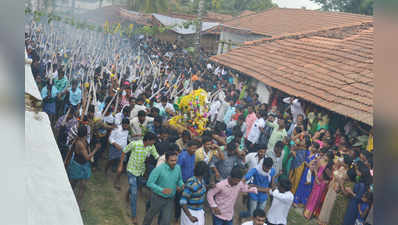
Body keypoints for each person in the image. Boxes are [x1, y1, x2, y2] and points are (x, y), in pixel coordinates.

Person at [117, 132, 159, 225]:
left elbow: (157, 156)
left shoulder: (151, 147)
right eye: (153, 141)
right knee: (135, 193)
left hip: (140, 172)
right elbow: (124, 151)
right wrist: (120, 165)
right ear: (148, 140)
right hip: (131, 171)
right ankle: (134, 216)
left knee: (137, 186)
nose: (153, 143)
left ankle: (129, 193)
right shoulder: (135, 144)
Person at [142, 151, 184, 225]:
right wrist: (162, 190)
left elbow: (179, 180)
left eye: (175, 160)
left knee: (166, 221)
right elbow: (149, 183)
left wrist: (181, 184)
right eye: (172, 160)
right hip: (158, 198)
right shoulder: (159, 169)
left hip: (170, 199)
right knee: (151, 215)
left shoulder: (178, 168)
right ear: (166, 160)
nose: (174, 162)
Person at [65, 125, 100, 210]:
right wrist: (96, 149)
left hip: (83, 165)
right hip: (78, 166)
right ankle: (71, 202)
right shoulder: (79, 143)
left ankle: (77, 204)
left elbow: (71, 151)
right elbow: (87, 157)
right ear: (85, 134)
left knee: (82, 186)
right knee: (74, 184)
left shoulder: (82, 140)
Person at [105, 118, 130, 188]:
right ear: (122, 124)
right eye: (124, 125)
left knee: (121, 165)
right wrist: (115, 144)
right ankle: (106, 169)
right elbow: (110, 138)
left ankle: (116, 181)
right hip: (114, 148)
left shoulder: (128, 131)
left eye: (127, 125)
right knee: (110, 161)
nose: (126, 126)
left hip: (123, 151)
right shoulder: (116, 129)